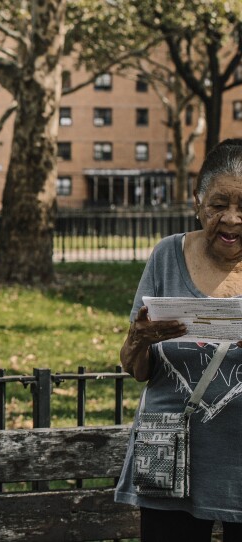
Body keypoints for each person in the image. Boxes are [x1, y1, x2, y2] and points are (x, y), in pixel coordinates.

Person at [115, 138, 242, 540]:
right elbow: (136, 369)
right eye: (219, 205)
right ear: (196, 203)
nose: (233, 219)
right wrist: (138, 338)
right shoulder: (167, 256)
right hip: (172, 459)